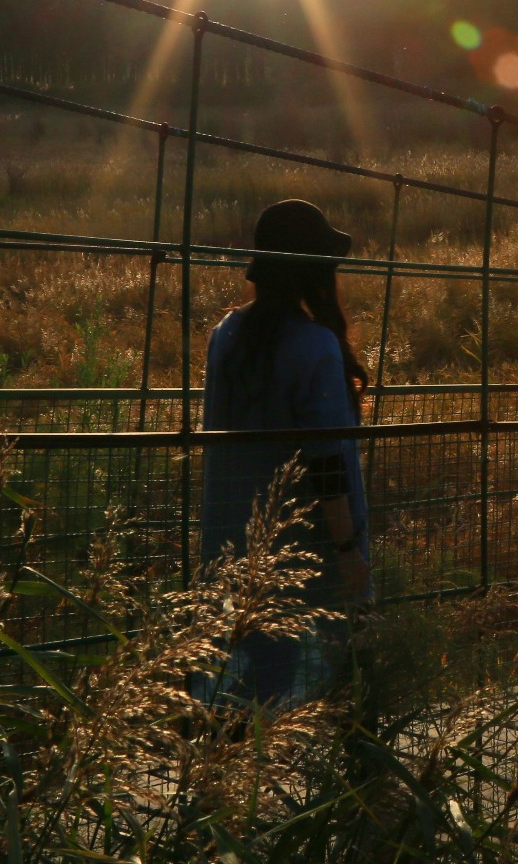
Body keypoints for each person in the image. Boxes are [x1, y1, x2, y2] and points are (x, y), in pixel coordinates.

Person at [198, 198, 372, 705]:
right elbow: (326, 459)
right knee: (338, 680)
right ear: (310, 271)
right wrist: (348, 554)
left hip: (232, 539)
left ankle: (226, 775)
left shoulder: (224, 335)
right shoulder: (315, 345)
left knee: (249, 679)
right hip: (306, 549)